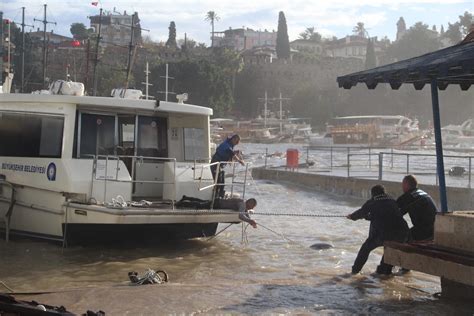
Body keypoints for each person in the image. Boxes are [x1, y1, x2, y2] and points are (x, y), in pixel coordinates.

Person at [347, 185, 409, 275]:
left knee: (365, 249)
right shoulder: (392, 200)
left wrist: (352, 216)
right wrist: (368, 217)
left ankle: (354, 271)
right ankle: (385, 272)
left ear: (373, 194)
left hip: (383, 234)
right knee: (388, 251)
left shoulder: (373, 201)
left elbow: (361, 212)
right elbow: (386, 214)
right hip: (402, 233)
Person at [396, 175, 438, 241]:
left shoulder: (408, 197)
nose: (402, 187)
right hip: (436, 229)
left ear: (406, 184)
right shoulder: (423, 193)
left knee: (399, 238)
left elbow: (395, 214)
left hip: (423, 231)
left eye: (403, 184)